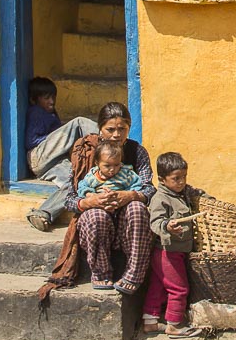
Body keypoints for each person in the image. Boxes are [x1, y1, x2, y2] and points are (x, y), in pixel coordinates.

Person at [39, 101, 154, 298]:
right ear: (100, 129)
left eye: (122, 129)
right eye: (110, 129)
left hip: (127, 220)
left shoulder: (137, 152)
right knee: (94, 216)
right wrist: (89, 201)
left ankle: (134, 274)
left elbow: (149, 188)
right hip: (99, 222)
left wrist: (130, 195)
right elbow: (69, 198)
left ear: (129, 128)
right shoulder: (87, 152)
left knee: (137, 208)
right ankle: (101, 271)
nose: (116, 135)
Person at [24, 76, 100, 232]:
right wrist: (58, 135)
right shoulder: (36, 111)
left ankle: (43, 213)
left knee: (77, 181)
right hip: (38, 155)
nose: (52, 101)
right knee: (78, 123)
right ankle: (112, 140)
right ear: (34, 100)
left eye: (53, 97)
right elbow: (31, 141)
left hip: (50, 163)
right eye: (46, 98)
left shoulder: (50, 113)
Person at [142, 151, 205, 338]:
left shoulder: (183, 192)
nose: (181, 182)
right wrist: (167, 226)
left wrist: (208, 199)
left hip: (176, 251)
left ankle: (150, 322)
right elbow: (155, 222)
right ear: (162, 180)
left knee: (158, 285)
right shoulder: (160, 198)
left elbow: (197, 193)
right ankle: (175, 324)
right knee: (179, 288)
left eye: (184, 177)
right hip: (167, 251)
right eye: (176, 178)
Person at [76, 140, 145, 201]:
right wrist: (90, 195)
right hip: (100, 205)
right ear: (97, 163)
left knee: (136, 207)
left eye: (116, 165)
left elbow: (136, 184)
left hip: (123, 204)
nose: (112, 169)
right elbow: (83, 187)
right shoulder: (93, 176)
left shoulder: (125, 173)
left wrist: (127, 194)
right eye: (107, 166)